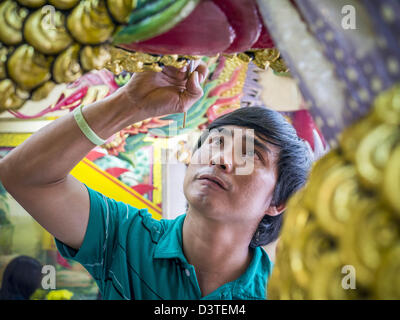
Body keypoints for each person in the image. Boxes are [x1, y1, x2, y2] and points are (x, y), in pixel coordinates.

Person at [0, 61, 311, 299]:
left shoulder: (287, 290)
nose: (220, 158)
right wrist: (129, 103)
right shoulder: (124, 238)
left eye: (250, 155)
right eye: (216, 141)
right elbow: (24, 176)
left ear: (278, 202)